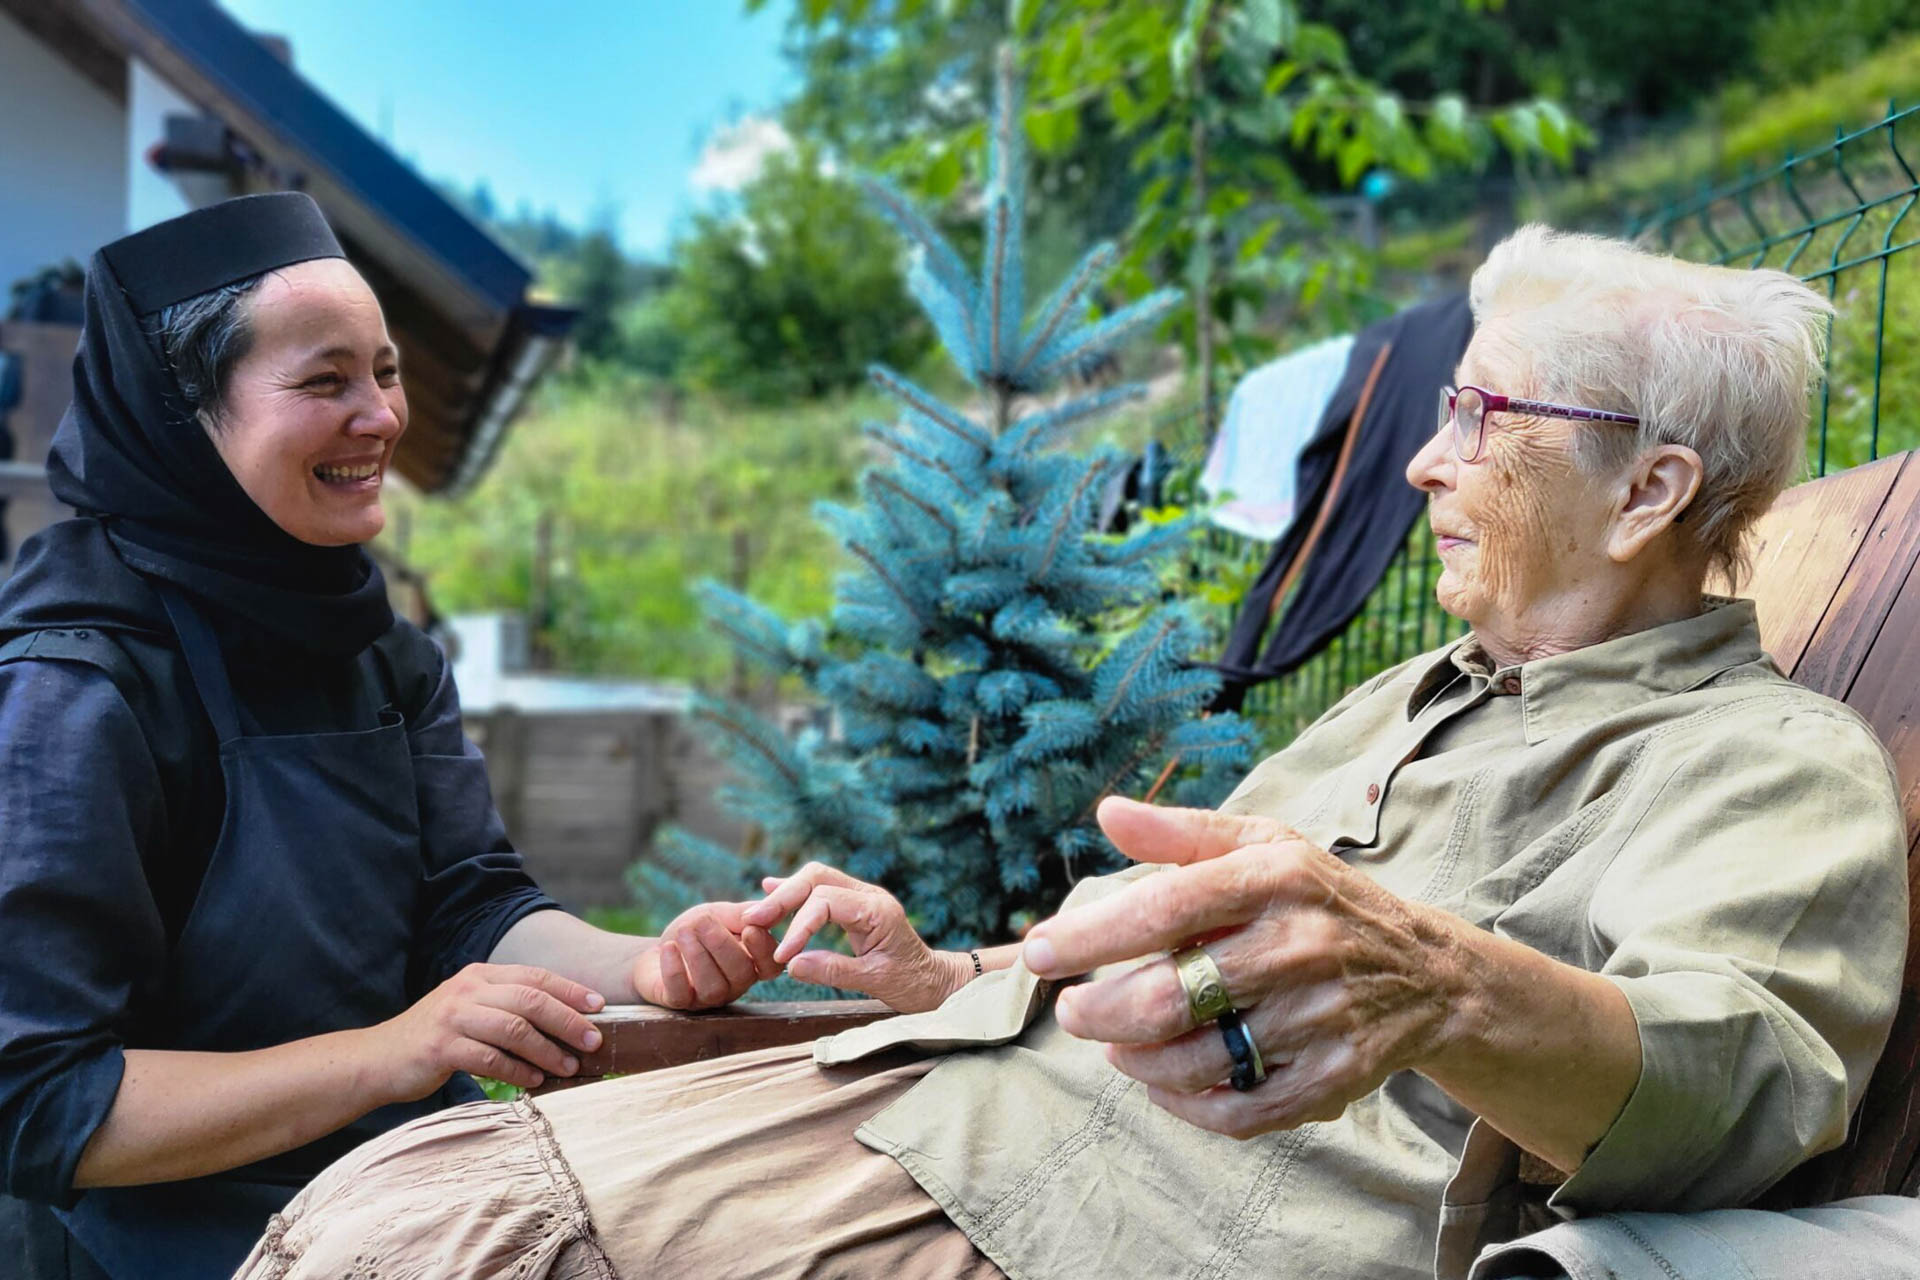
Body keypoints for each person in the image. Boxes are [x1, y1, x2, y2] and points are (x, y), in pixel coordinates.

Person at [243, 225, 1910, 1280]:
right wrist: (929, 969)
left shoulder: (1767, 762)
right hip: (947, 1105)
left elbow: (1746, 1082)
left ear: (1651, 491)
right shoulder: (1410, 695)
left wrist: (1448, 988)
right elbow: (1164, 965)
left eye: (1485, 418)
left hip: (1109, 1227)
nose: (1420, 464)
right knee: (401, 1202)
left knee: (436, 1247)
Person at [0, 194, 781, 1280]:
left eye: (386, 370)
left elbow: (470, 906)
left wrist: (654, 964)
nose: (379, 416)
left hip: (402, 1208)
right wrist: (389, 1053)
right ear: (187, 418)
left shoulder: (382, 652)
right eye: (324, 381)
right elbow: (40, 1100)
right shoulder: (73, 688)